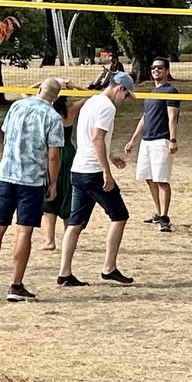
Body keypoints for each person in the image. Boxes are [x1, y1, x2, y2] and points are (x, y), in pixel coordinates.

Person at [0, 77, 64, 302]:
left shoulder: (16, 106)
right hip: (32, 180)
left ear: (39, 89)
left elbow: (6, 138)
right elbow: (53, 155)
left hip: (7, 174)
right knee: (24, 231)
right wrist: (53, 183)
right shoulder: (53, 117)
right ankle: (16, 285)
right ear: (56, 97)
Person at [57, 71, 136, 287]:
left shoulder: (91, 102)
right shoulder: (107, 107)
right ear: (119, 88)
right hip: (92, 173)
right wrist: (106, 171)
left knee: (75, 223)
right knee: (119, 215)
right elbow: (97, 137)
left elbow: (89, 139)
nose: (125, 100)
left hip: (78, 170)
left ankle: (64, 272)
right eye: (126, 95)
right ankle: (109, 268)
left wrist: (110, 156)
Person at [124, 57, 181, 233]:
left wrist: (173, 140)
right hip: (146, 141)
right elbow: (145, 118)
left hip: (161, 140)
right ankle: (158, 212)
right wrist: (133, 140)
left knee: (161, 180)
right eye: (153, 67)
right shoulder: (151, 93)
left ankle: (165, 217)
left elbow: (172, 117)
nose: (156, 70)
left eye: (160, 68)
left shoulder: (171, 91)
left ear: (167, 71)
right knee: (149, 178)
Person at [40, 86, 83, 251]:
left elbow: (26, 93)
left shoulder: (46, 110)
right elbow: (91, 95)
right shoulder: (71, 109)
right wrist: (73, 87)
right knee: (68, 193)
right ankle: (68, 238)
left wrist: (41, 85)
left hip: (52, 152)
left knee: (49, 197)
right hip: (68, 154)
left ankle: (49, 240)